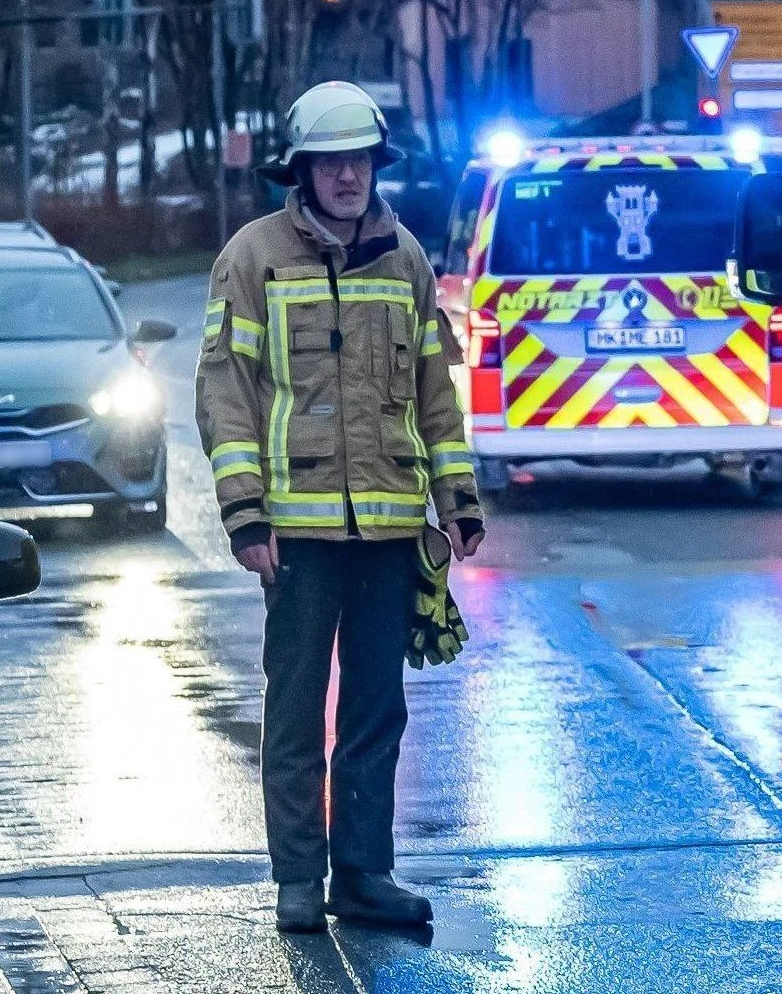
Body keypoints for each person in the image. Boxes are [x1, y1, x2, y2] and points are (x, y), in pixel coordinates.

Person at [194, 81, 482, 934]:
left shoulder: (407, 260)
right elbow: (225, 392)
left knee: (374, 708)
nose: (348, 176)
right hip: (299, 534)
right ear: (303, 169)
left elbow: (437, 392)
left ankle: (363, 872)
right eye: (332, 162)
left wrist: (456, 500)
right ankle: (297, 877)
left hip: (391, 527)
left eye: (359, 160)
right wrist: (247, 513)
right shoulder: (252, 257)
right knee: (294, 704)